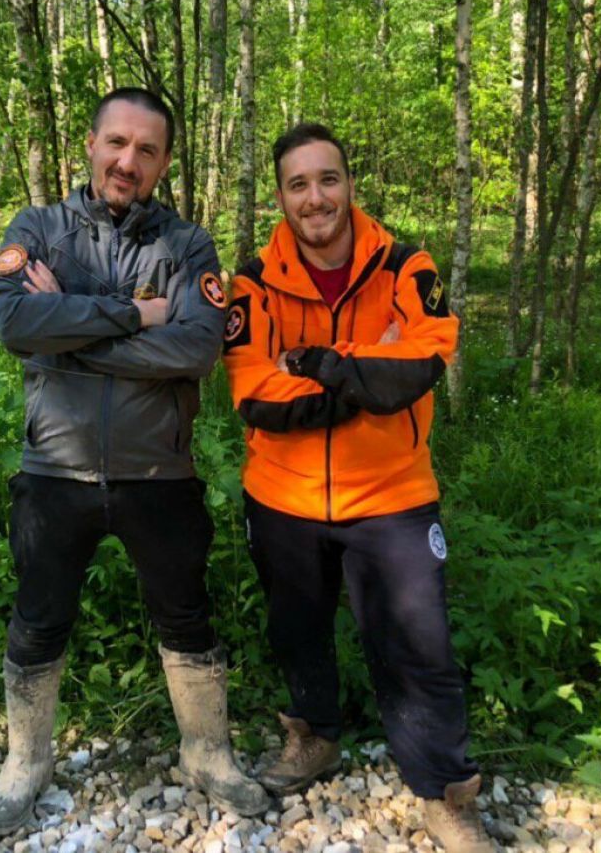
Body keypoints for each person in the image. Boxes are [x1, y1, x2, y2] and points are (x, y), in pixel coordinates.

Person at [0, 87, 267, 836]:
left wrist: (68, 333)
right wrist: (136, 313)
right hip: (54, 470)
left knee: (187, 617)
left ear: (164, 162)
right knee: (38, 619)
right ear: (90, 144)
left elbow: (196, 348)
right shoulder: (38, 229)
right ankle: (25, 761)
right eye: (116, 142)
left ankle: (207, 753)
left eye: (146, 149)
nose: (127, 161)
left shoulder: (190, 246)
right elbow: (14, 322)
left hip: (159, 475)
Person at [221, 123, 494, 853]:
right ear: (281, 197)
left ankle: (444, 791)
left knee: (419, 644)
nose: (316, 198)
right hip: (282, 497)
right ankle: (314, 736)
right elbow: (255, 394)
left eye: (328, 179)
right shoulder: (253, 282)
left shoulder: (407, 267)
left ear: (349, 184)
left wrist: (313, 361)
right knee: (296, 629)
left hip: (392, 494)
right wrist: (365, 371)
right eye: (299, 184)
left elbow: (420, 365)